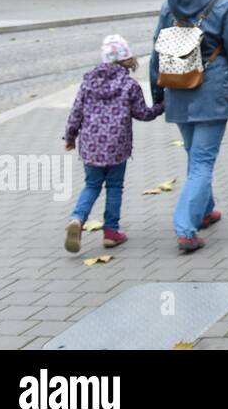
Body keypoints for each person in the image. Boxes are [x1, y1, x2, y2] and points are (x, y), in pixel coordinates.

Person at [150, 0, 228, 252]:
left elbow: (156, 51)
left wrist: (157, 92)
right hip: (212, 89)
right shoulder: (222, 5)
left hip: (177, 88)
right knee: (202, 160)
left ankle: (206, 210)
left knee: (195, 155)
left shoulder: (168, 7)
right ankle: (185, 229)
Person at [62, 34, 163, 253]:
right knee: (115, 186)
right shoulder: (129, 85)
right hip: (117, 146)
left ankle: (77, 220)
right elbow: (143, 114)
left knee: (91, 185)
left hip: (91, 145)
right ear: (127, 59)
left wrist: (70, 137)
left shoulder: (88, 82)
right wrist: (162, 106)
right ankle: (111, 232)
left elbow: (76, 113)